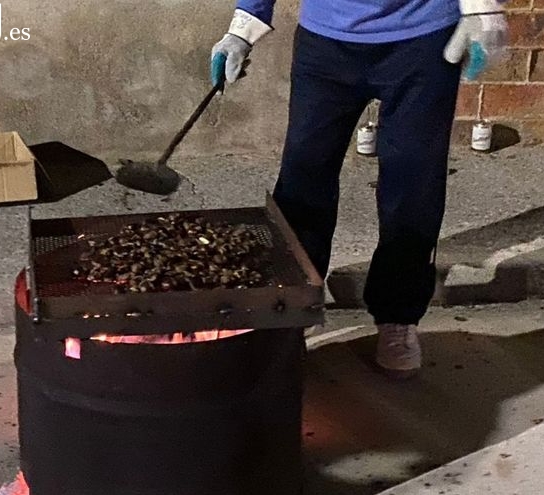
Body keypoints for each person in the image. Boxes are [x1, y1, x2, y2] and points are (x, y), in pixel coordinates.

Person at [211, 0, 508, 378]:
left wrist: (483, 10)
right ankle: (293, 311)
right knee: (303, 177)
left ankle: (398, 317)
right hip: (326, 43)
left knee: (413, 184)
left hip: (421, 38)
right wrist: (243, 28)